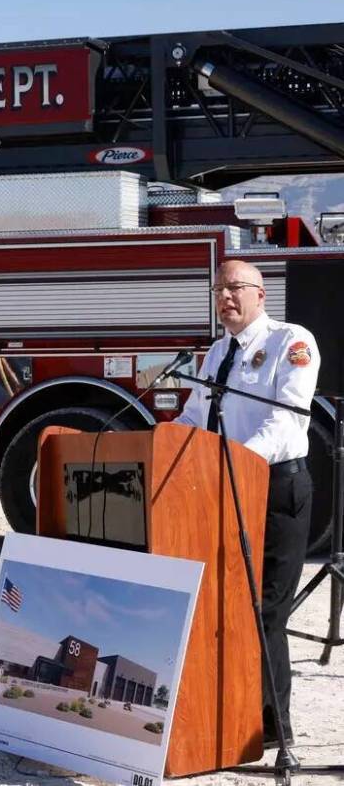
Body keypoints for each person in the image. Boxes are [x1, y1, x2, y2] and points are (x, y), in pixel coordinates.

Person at [175, 259, 319, 759]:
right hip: (226, 487)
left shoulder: (290, 342)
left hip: (277, 489)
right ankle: (231, 715)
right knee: (229, 605)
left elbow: (286, 420)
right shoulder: (216, 353)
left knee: (267, 611)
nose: (225, 298)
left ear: (260, 294)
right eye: (218, 289)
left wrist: (234, 461)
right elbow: (195, 416)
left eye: (235, 288)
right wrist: (164, 442)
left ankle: (277, 731)